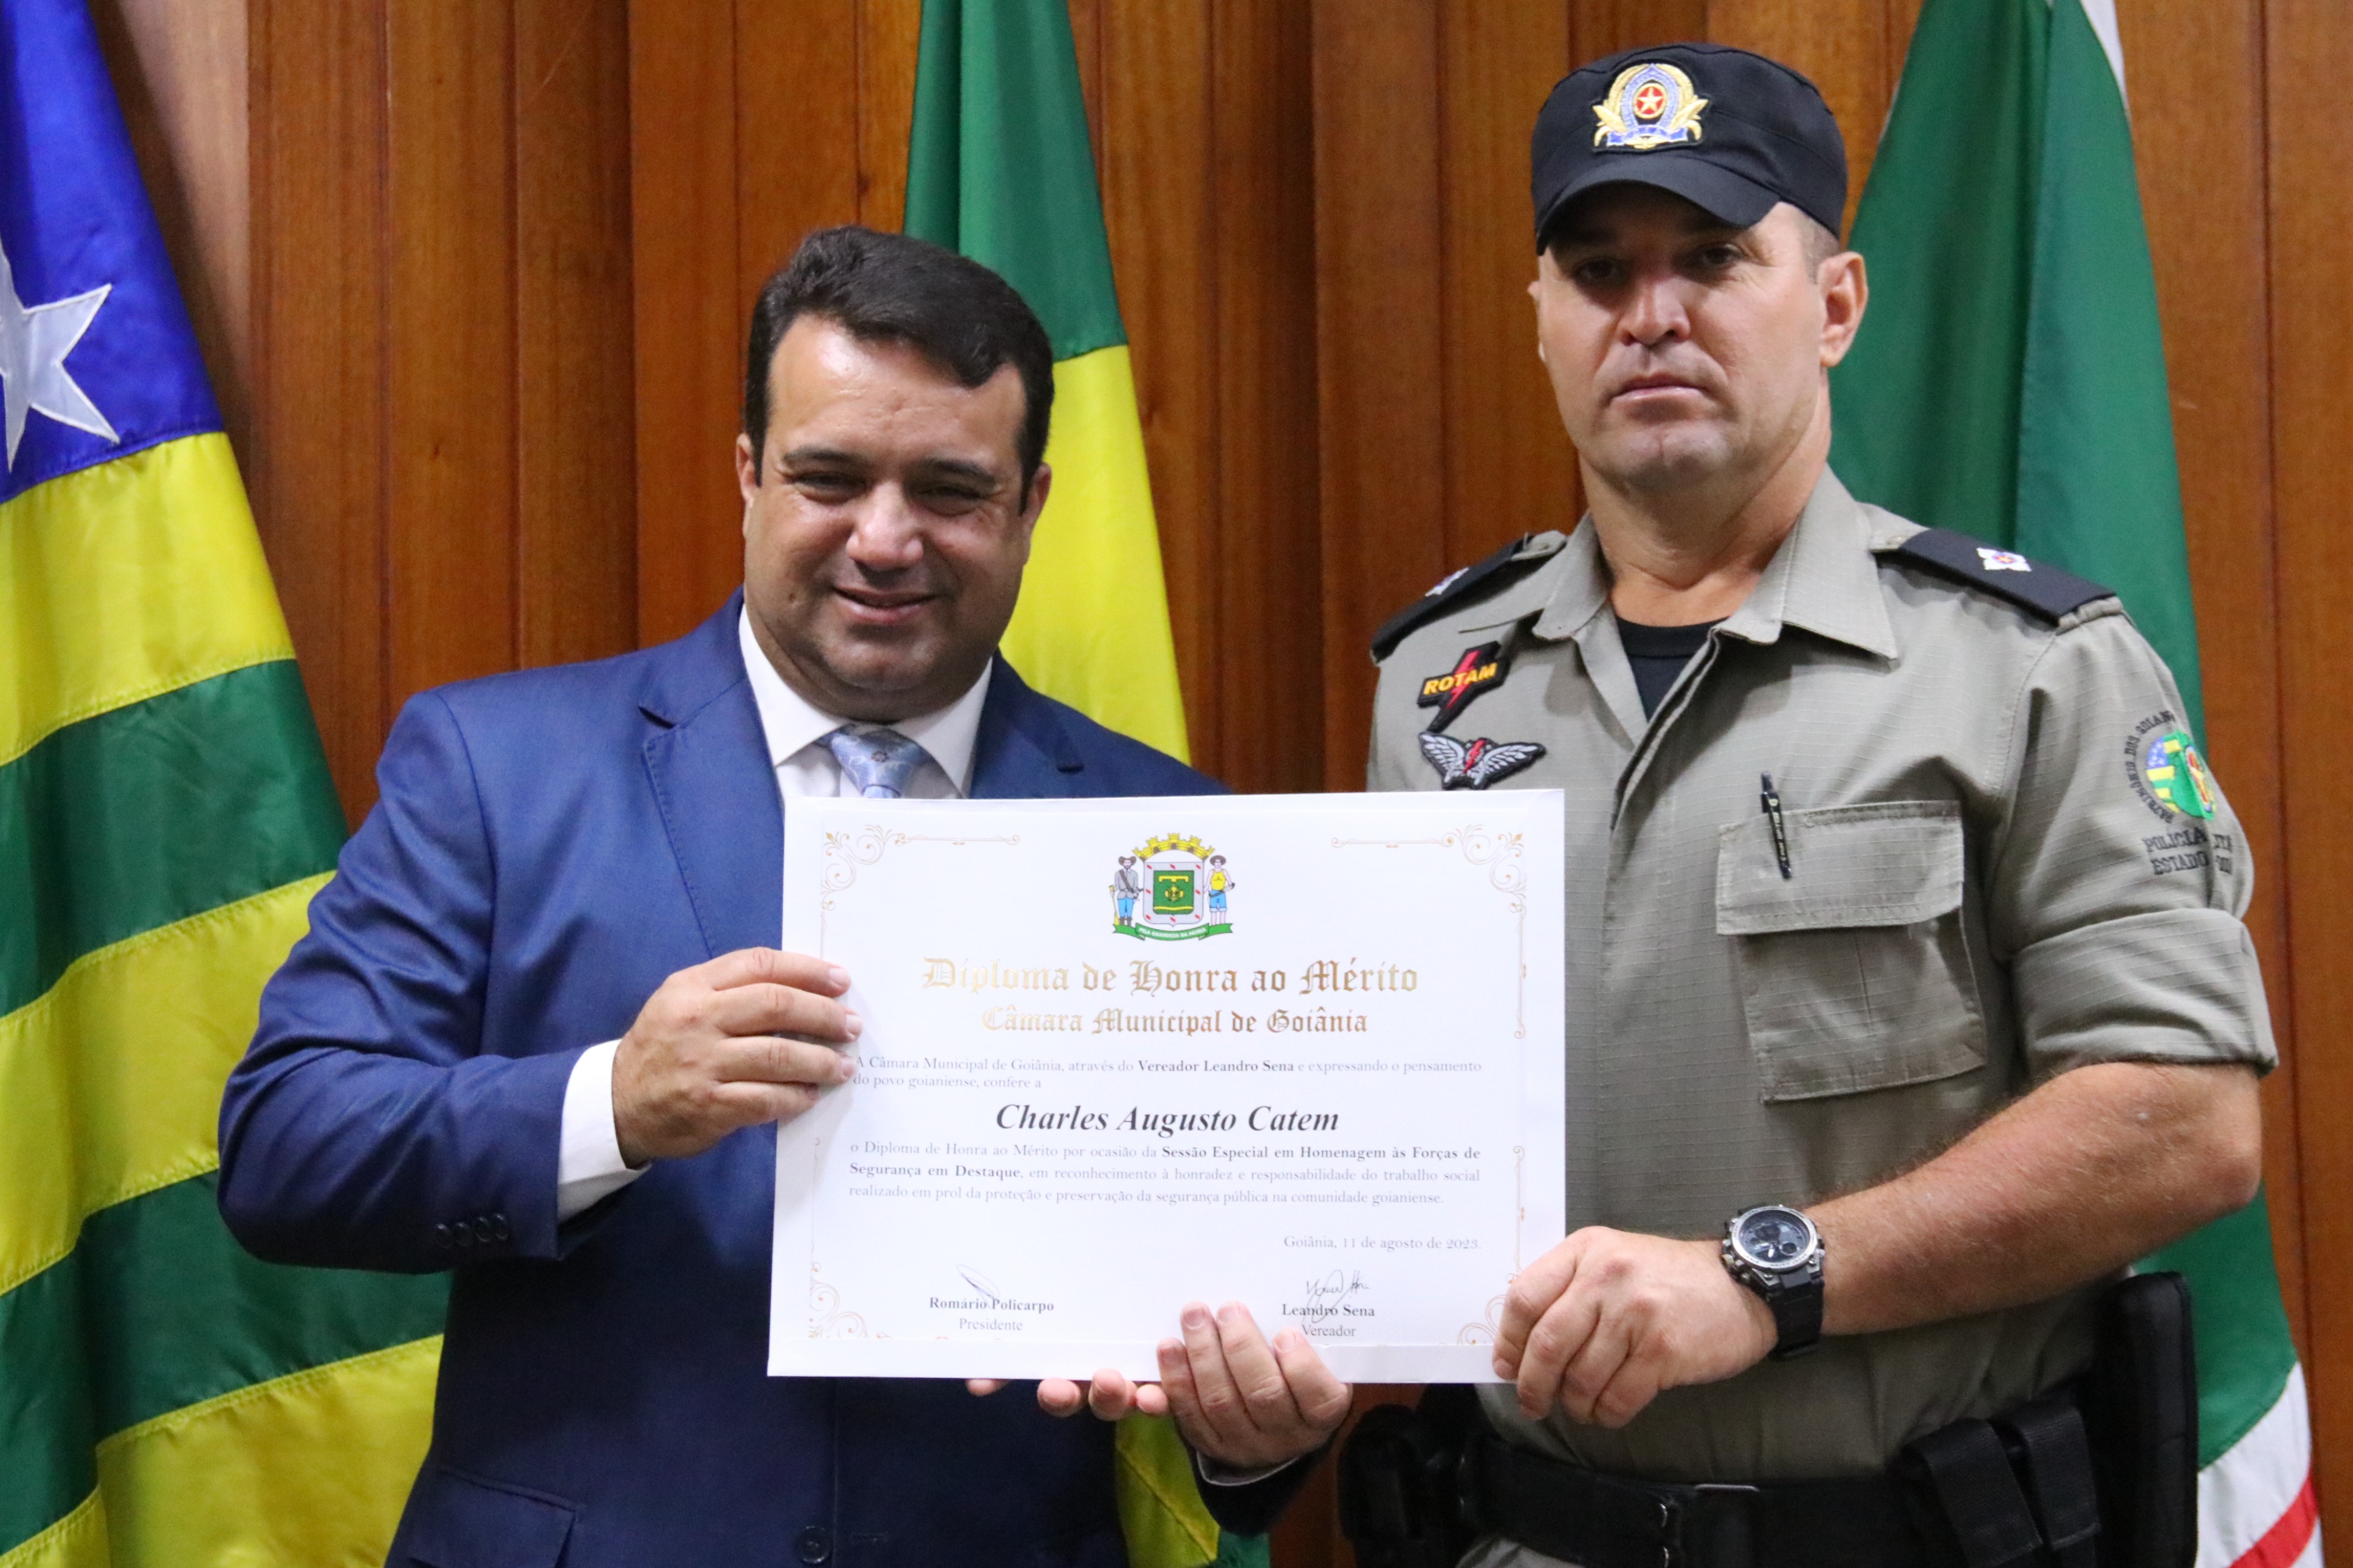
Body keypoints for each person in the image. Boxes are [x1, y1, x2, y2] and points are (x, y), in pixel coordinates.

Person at [218, 227, 1345, 1566]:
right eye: (830, 477)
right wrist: (612, 1103)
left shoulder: (1173, 842)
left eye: (950, 490)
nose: (885, 539)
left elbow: (1242, 1267)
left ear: (1031, 504)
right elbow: (285, 1144)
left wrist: (1249, 1432)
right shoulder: (494, 768)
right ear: (750, 472)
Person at [1358, 43, 2272, 1567]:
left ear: (1836, 304)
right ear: (1541, 319)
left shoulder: (2025, 668)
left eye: (1714, 257)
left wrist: (1771, 1276)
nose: (1653, 314)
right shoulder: (1442, 689)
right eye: (1598, 270)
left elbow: (2181, 1121)